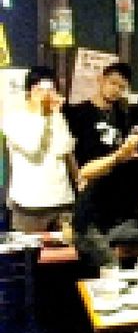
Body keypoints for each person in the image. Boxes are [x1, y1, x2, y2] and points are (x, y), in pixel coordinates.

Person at [73, 121, 138, 272]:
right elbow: (84, 173)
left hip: (117, 225)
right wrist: (119, 156)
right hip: (89, 226)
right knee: (112, 267)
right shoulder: (131, 157)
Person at [3, 67, 75, 232]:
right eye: (40, 89)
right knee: (30, 248)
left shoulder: (56, 116)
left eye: (51, 89)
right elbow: (32, 147)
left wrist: (56, 115)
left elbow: (64, 148)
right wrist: (42, 115)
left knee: (65, 247)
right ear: (29, 91)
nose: (46, 94)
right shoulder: (13, 118)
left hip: (62, 200)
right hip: (29, 203)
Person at [63, 62, 131, 167]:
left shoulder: (122, 118)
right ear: (100, 79)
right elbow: (69, 152)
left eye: (121, 87)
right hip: (86, 172)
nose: (116, 90)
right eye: (113, 83)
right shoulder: (77, 113)